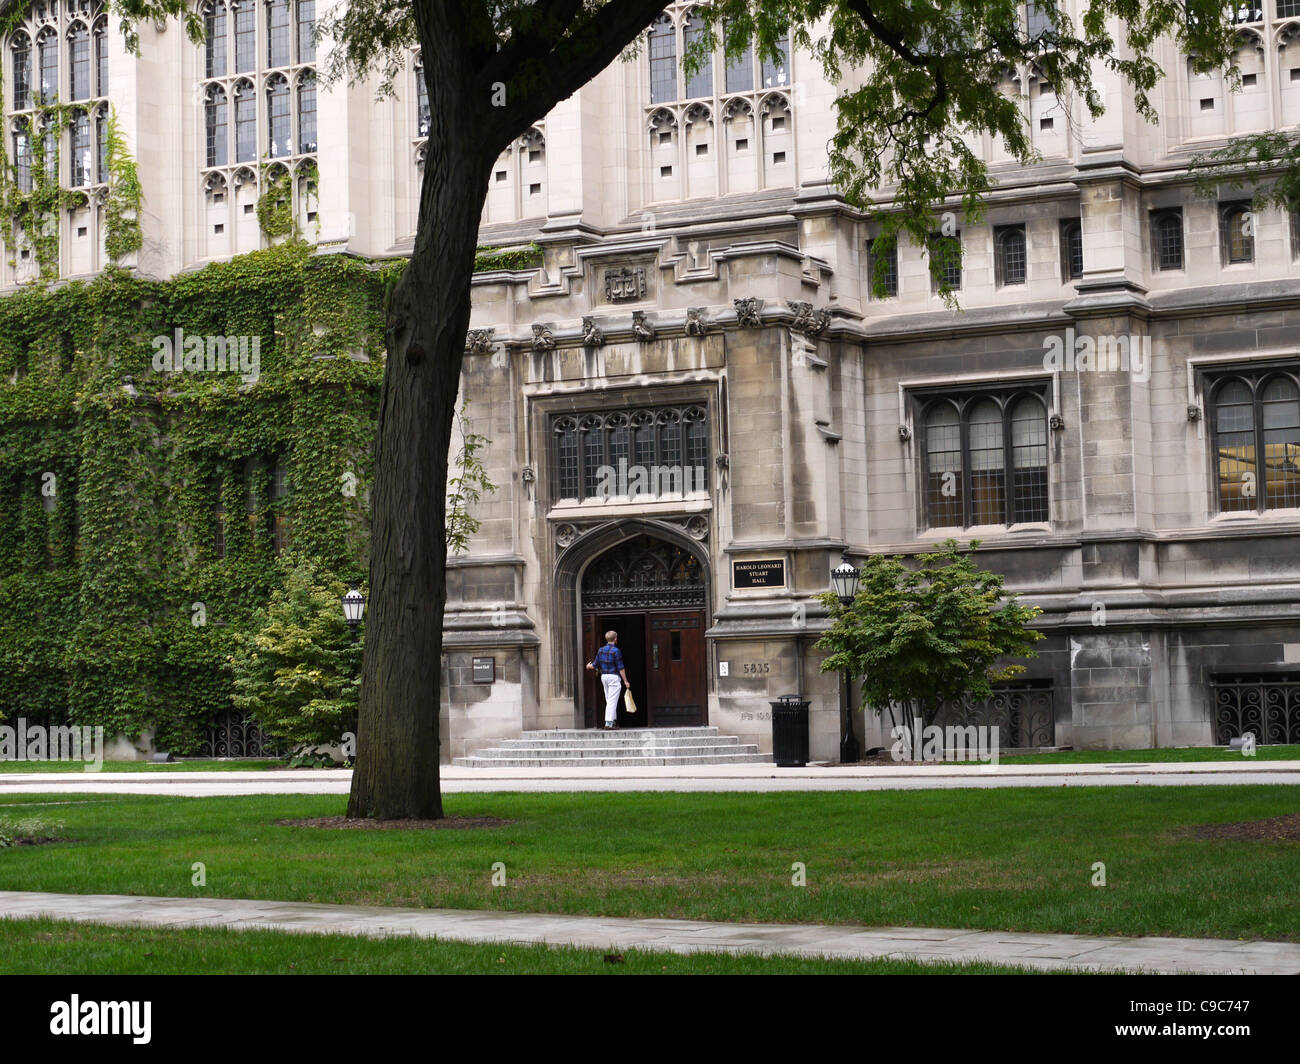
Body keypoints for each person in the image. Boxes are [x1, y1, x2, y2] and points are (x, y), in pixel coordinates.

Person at [586, 630, 630, 730]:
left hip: (604, 677)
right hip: (613, 677)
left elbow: (595, 664)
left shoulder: (601, 650)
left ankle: (612, 721)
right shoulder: (616, 651)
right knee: (611, 701)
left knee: (609, 700)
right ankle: (608, 723)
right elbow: (621, 667)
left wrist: (589, 666)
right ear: (615, 639)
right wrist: (625, 681)